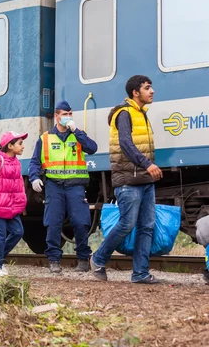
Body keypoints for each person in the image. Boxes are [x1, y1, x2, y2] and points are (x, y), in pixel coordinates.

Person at [91, 75, 163, 284]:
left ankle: (140, 273)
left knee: (146, 226)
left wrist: (147, 169)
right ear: (135, 92)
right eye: (147, 88)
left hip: (145, 179)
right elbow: (125, 143)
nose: (152, 91)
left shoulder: (142, 114)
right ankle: (97, 258)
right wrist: (147, 164)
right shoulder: (124, 113)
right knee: (127, 224)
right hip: (128, 180)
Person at [29, 100, 98, 273]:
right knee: (53, 222)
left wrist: (77, 130)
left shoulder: (78, 135)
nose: (68, 117)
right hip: (54, 186)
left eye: (70, 114)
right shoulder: (44, 139)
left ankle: (83, 259)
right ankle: (53, 260)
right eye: (64, 115)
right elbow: (35, 162)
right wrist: (34, 177)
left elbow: (92, 148)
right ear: (56, 116)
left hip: (76, 185)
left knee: (80, 222)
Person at [0, 131, 28, 276]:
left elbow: (20, 183)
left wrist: (22, 200)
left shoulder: (17, 162)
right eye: (20, 143)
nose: (23, 146)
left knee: (18, 232)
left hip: (11, 207)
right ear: (10, 146)